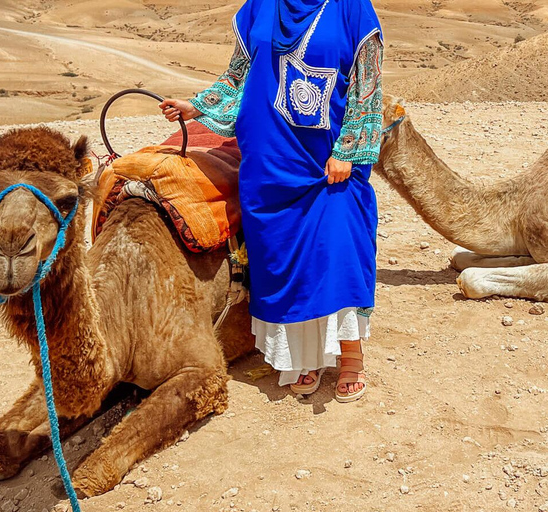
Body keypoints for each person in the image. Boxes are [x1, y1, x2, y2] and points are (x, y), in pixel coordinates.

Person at [160, 0, 383, 402]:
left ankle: (351, 354)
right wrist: (197, 106)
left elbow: (367, 88)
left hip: (327, 157)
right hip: (268, 155)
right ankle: (307, 357)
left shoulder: (353, 8)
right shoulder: (260, 7)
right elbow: (237, 74)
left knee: (338, 248)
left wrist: (348, 149)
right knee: (282, 255)